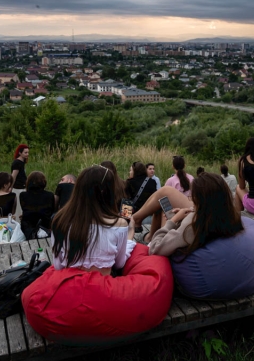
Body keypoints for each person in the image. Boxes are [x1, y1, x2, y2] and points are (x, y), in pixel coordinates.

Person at [21, 165, 174, 343]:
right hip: (104, 295)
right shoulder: (118, 224)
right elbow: (118, 264)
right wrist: (130, 235)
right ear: (109, 193)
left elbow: (58, 266)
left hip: (68, 295)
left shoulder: (59, 221)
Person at [148, 173, 254, 300]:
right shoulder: (230, 216)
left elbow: (155, 249)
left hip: (204, 286)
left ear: (198, 199)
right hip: (242, 276)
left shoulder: (192, 226)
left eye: (192, 197)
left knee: (163, 232)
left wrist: (173, 221)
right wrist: (190, 213)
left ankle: (142, 229)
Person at [19, 171, 56, 238]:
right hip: (45, 225)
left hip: (28, 227)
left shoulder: (23, 195)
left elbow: (25, 208)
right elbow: (52, 210)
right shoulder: (49, 195)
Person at [10, 144, 29, 216]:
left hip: (22, 188)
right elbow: (13, 176)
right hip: (18, 189)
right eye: (25, 152)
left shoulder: (22, 163)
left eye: (28, 152)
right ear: (20, 153)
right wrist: (10, 188)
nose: (27, 154)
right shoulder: (17, 163)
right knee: (18, 208)